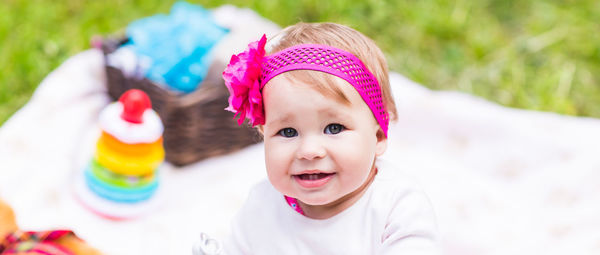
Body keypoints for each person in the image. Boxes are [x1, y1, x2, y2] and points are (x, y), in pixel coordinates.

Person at [221, 22, 439, 254]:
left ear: (378, 136)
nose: (309, 150)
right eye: (288, 132)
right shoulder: (261, 206)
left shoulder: (398, 206)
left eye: (334, 128)